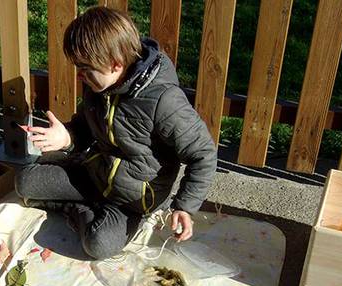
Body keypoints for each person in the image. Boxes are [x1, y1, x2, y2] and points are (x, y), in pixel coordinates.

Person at [15, 6, 218, 260]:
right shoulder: (99, 85)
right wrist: (66, 137)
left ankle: (85, 211)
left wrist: (185, 206)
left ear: (116, 63)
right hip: (96, 175)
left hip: (132, 200)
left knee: (98, 244)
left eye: (85, 68)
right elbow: (86, 126)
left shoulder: (164, 101)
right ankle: (84, 206)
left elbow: (204, 155)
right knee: (25, 182)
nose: (80, 75)